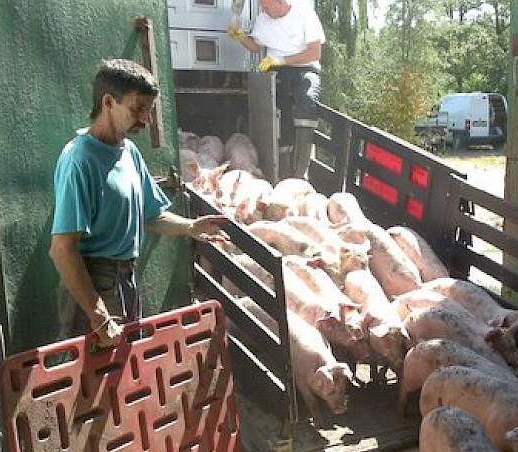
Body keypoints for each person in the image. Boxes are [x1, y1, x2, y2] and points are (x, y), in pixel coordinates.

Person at [49, 59, 228, 347]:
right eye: (137, 109)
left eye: (149, 110)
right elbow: (62, 250)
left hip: (125, 279)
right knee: (97, 379)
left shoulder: (128, 152)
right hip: (94, 281)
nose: (145, 119)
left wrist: (191, 226)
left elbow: (152, 215)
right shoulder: (79, 161)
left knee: (124, 373)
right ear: (108, 102)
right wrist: (99, 317)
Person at [228, 0, 325, 179]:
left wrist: (281, 60)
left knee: (307, 103)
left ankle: (300, 172)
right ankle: (281, 170)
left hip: (305, 67)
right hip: (278, 71)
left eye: (265, 6)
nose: (263, 10)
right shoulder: (263, 20)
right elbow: (256, 46)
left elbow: (314, 53)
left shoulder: (305, 14)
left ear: (280, 1)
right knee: (278, 113)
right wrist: (240, 36)